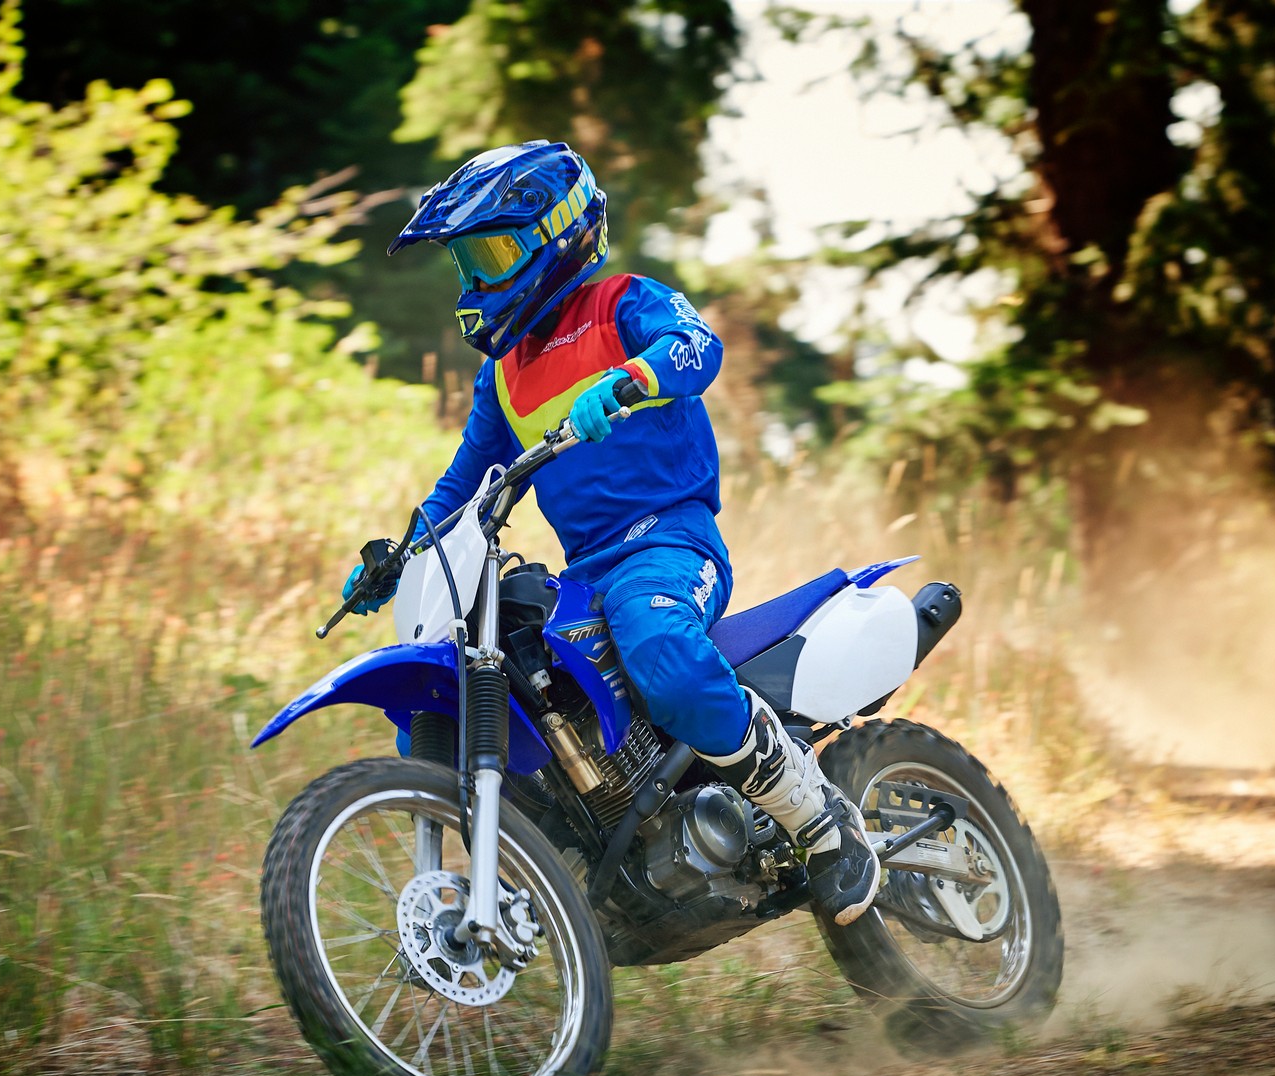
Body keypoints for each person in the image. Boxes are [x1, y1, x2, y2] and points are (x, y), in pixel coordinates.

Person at [344, 140, 876, 924]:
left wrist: (630, 379)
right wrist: (401, 553)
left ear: (553, 235)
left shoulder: (622, 304)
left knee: (659, 648)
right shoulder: (502, 376)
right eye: (465, 263)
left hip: (667, 541)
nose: (474, 283)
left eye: (490, 256)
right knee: (510, 683)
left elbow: (698, 347)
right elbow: (463, 485)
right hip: (585, 571)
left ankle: (822, 822)